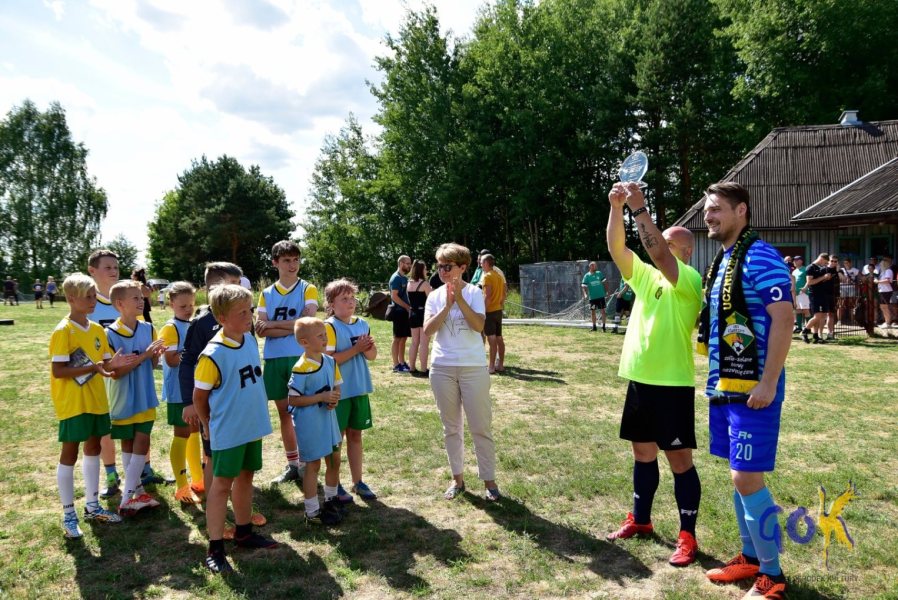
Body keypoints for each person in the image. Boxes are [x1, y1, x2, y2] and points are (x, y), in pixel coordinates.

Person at [698, 182, 792, 599]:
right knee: (738, 476)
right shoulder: (725, 260)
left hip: (755, 388)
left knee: (747, 477)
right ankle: (751, 558)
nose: (708, 216)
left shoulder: (760, 256)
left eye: (716, 208)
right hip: (726, 385)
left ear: (742, 211)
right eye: (707, 209)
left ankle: (772, 575)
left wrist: (769, 381)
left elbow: (785, 318)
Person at [604, 183, 703, 567]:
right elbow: (618, 249)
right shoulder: (646, 277)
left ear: (686, 251)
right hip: (641, 380)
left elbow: (657, 252)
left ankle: (687, 535)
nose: (658, 245)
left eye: (668, 242)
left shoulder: (689, 280)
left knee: (680, 461)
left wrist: (639, 208)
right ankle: (641, 520)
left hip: (672, 384)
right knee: (642, 453)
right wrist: (616, 208)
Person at [193, 284, 277, 573]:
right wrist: (207, 425)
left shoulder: (249, 340)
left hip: (251, 426)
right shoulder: (212, 354)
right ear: (221, 318)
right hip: (228, 431)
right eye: (241, 312)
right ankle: (215, 547)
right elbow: (199, 397)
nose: (248, 316)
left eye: (249, 310)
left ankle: (243, 532)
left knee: (245, 477)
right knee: (221, 486)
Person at [49, 273, 135, 538]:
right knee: (70, 452)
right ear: (70, 298)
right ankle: (68, 515)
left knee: (94, 447)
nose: (92, 301)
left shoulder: (97, 329)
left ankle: (92, 506)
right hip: (74, 403)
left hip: (97, 400)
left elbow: (105, 364)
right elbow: (58, 371)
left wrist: (113, 365)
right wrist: (94, 368)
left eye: (93, 295)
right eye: (87, 297)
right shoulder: (63, 331)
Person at [424, 243, 500, 502]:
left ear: (463, 267)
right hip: (442, 367)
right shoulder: (434, 296)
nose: (442, 271)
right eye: (439, 266)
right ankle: (457, 480)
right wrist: (446, 305)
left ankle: (489, 481)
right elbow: (427, 331)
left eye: (448, 266)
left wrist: (459, 299)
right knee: (451, 428)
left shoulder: (475, 292)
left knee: (480, 426)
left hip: (473, 367)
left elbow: (478, 325)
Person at [255, 241, 318, 487]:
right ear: (275, 263)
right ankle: (293, 464)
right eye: (286, 260)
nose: (292, 265)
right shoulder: (266, 293)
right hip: (274, 360)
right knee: (284, 414)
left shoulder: (308, 289)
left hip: (300, 358)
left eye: (295, 260)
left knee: (303, 412)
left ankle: (307, 462)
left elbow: (307, 323)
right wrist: (291, 326)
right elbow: (261, 330)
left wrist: (273, 325)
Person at [180, 262, 244, 497]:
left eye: (240, 283)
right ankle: (213, 504)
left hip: (237, 397)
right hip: (213, 401)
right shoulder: (202, 321)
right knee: (212, 453)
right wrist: (189, 402)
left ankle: (235, 499)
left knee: (237, 450)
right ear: (215, 287)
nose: (240, 289)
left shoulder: (242, 317)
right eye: (234, 284)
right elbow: (188, 361)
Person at [104, 280, 167, 515]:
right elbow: (116, 373)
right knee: (128, 443)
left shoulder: (148, 328)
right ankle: (134, 494)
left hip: (145, 394)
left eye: (142, 297)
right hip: (122, 396)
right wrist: (144, 356)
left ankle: (128, 496)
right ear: (120, 304)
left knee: (143, 440)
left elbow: (152, 362)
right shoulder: (109, 334)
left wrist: (155, 356)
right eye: (136, 298)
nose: (142, 301)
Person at [287, 317, 346, 525]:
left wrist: (334, 398)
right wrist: (321, 397)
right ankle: (312, 512)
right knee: (313, 465)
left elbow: (336, 386)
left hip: (329, 421)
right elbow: (293, 400)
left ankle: (331, 499)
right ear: (304, 342)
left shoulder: (330, 361)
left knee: (334, 459)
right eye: (320, 336)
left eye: (325, 335)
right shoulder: (301, 368)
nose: (325, 339)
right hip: (310, 424)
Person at [324, 279, 378, 501]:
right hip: (339, 391)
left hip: (359, 388)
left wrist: (368, 348)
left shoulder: (362, 323)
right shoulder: (329, 327)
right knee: (336, 439)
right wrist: (356, 348)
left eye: (352, 297)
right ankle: (334, 484)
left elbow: (372, 356)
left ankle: (358, 481)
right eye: (344, 299)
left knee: (356, 435)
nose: (350, 302)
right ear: (331, 304)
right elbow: (329, 361)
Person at [159, 281, 204, 505]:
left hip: (193, 388)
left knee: (194, 431)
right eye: (183, 306)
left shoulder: (193, 324)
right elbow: (171, 360)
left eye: (191, 305)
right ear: (172, 304)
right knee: (182, 433)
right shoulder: (170, 328)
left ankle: (198, 480)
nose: (188, 309)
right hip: (178, 390)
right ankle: (181, 486)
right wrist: (197, 353)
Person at [481, 254, 507, 373]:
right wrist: (500, 305)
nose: (480, 265)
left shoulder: (487, 277)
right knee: (499, 338)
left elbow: (487, 296)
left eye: (482, 262)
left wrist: (482, 312)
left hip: (490, 311)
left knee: (491, 340)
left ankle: (491, 367)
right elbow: (504, 294)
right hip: (498, 310)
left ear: (486, 263)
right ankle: (500, 365)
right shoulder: (498, 276)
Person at [801, 253, 834, 344]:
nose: (825, 264)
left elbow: (820, 280)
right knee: (817, 316)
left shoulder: (821, 268)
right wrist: (823, 277)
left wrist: (826, 278)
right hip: (815, 295)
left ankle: (816, 336)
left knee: (822, 316)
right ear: (821, 259)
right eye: (825, 262)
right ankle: (804, 331)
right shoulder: (811, 267)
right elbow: (810, 282)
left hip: (823, 294)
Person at [407, 260, 433, 374]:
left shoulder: (409, 283)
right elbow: (431, 299)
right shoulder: (425, 284)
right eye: (425, 268)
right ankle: (423, 369)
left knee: (414, 342)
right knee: (424, 343)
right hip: (423, 313)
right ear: (421, 270)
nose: (426, 271)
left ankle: (412, 367)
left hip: (412, 313)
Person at [388, 255, 413, 373]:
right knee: (397, 338)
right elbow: (394, 296)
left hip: (404, 312)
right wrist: (407, 307)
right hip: (398, 312)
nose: (409, 266)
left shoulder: (404, 278)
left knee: (404, 338)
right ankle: (395, 364)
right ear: (401, 263)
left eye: (410, 264)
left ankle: (402, 362)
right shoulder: (396, 278)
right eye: (407, 263)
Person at [581, 261, 609, 332]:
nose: (595, 267)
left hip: (601, 297)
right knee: (593, 312)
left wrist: (607, 292)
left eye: (596, 266)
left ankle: (603, 327)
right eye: (594, 266)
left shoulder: (599, 273)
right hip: (592, 298)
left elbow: (605, 282)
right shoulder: (587, 276)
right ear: (590, 267)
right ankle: (594, 327)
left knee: (603, 311)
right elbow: (583, 286)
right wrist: (585, 294)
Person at [790, 256, 809, 334]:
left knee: (805, 310)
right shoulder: (794, 271)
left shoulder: (805, 269)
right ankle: (799, 327)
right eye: (794, 260)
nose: (794, 262)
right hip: (796, 293)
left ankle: (808, 327)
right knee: (797, 310)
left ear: (801, 261)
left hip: (803, 293)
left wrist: (805, 288)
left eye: (796, 260)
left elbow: (808, 280)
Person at [839, 258, 859, 326]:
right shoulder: (841, 270)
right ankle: (839, 321)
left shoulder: (855, 270)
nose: (846, 264)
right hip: (842, 288)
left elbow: (861, 276)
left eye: (847, 263)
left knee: (852, 304)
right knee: (841, 304)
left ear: (850, 263)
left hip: (851, 288)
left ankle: (852, 320)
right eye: (844, 263)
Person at [875, 257, 894, 328]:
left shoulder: (888, 271)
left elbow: (887, 280)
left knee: (885, 307)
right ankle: (886, 322)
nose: (880, 265)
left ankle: (888, 323)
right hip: (882, 291)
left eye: (881, 264)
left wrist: (878, 281)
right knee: (882, 307)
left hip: (886, 291)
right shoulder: (883, 271)